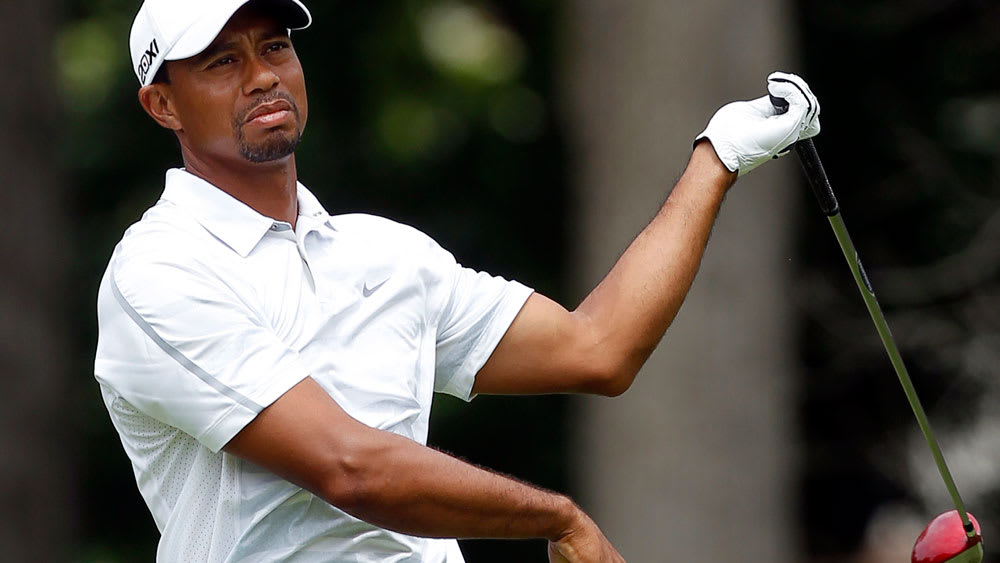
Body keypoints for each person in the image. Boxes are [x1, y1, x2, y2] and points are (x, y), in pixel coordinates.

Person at [95, 0, 820, 561]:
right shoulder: (159, 269)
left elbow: (598, 347)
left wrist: (717, 158)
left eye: (275, 47)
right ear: (163, 105)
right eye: (222, 62)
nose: (262, 76)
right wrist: (557, 516)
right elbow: (351, 469)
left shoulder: (385, 253)